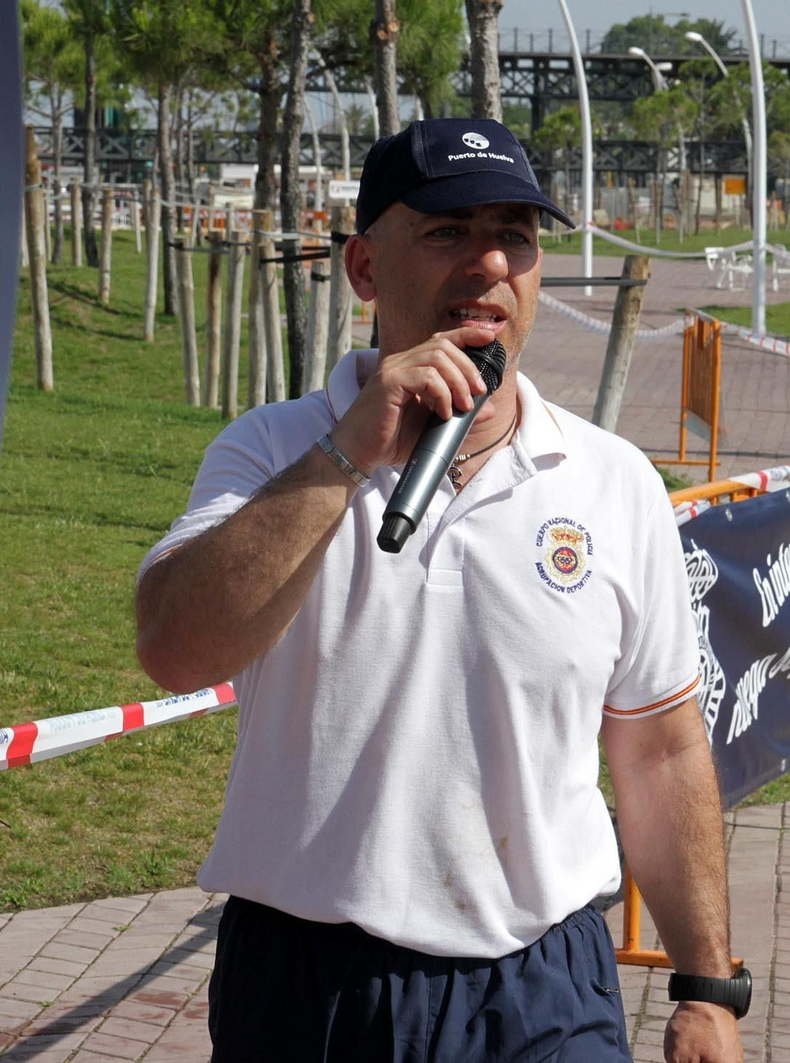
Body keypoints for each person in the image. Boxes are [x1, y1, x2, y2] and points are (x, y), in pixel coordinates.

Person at [134, 118, 746, 1063]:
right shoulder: (268, 450)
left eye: (517, 234)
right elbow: (175, 649)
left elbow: (661, 751)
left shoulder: (615, 483)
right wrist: (347, 453)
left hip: (543, 984)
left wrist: (708, 986)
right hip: (310, 987)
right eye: (449, 232)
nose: (491, 262)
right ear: (366, 269)